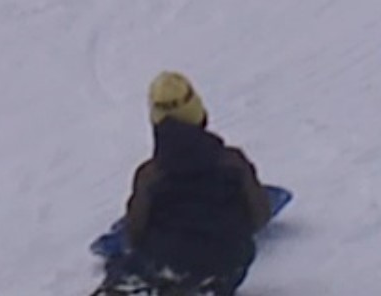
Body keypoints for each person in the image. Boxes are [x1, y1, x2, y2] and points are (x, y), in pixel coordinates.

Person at [98, 73, 273, 296]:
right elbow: (260, 217)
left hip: (166, 263)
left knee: (124, 266)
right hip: (228, 265)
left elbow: (135, 234)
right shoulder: (234, 163)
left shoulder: (150, 175)